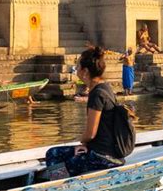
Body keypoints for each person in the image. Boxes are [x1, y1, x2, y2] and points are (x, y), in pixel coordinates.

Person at [44, 46, 125, 176]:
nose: (76, 71)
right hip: (108, 152)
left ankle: (61, 189)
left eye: (77, 67)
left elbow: (90, 134)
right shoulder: (105, 87)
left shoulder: (97, 94)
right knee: (66, 155)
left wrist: (82, 141)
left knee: (53, 154)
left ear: (85, 71)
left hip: (103, 157)